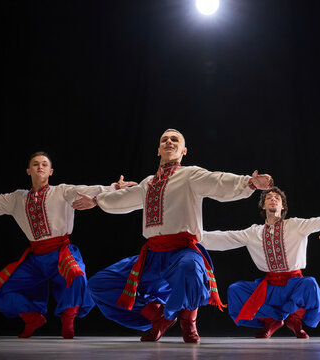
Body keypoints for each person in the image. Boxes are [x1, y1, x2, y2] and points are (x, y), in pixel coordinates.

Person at [72, 129, 273, 343]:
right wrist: (96, 200)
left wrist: (249, 183)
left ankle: (189, 322)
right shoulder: (148, 183)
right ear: (158, 150)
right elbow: (122, 199)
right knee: (98, 284)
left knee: (192, 269)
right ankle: (157, 317)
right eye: (164, 140)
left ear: (184, 150)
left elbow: (218, 181)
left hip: (182, 251)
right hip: (152, 256)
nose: (169, 141)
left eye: (174, 139)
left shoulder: (190, 175)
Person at [0, 151, 136, 339]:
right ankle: (32, 318)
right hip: (36, 259)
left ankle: (68, 321)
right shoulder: (17, 198)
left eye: (44, 164)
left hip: (61, 253)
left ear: (51, 171)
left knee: (77, 275)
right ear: (28, 170)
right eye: (35, 164)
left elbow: (87, 189)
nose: (40, 167)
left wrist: (113, 188)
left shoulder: (61, 191)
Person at [200, 187, 320, 338]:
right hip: (269, 286)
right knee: (236, 290)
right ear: (263, 206)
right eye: (268, 197)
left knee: (310, 285)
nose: (273, 199)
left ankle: (295, 320)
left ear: (282, 207)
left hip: (294, 284)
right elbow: (224, 237)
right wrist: (194, 237)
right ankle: (270, 321)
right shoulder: (253, 232)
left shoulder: (295, 225)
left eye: (277, 198)